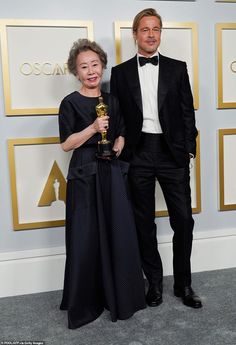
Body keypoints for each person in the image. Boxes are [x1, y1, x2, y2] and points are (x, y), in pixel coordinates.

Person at [110, 8, 202, 309]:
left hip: (171, 152)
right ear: (135, 34)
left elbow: (187, 112)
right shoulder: (120, 73)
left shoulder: (177, 68)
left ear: (160, 34)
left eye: (156, 29)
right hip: (138, 153)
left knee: (184, 221)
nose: (151, 34)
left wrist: (189, 147)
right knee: (143, 223)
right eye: (145, 29)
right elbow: (119, 114)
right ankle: (155, 284)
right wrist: (121, 139)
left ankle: (183, 285)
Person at [58, 38, 146, 329]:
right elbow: (67, 144)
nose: (91, 71)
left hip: (111, 173)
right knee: (85, 240)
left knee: (116, 234)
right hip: (84, 176)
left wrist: (118, 141)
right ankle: (86, 302)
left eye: (95, 64)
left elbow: (121, 132)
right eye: (84, 66)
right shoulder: (69, 103)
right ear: (76, 71)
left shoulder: (113, 100)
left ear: (102, 66)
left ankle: (117, 296)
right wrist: (93, 128)